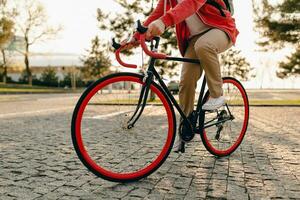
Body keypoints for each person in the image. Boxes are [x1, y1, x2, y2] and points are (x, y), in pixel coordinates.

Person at [122, 0, 239, 151]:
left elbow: (191, 3)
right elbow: (157, 14)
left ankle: (217, 95)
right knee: (185, 82)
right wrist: (135, 38)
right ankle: (185, 129)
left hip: (221, 29)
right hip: (195, 39)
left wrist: (165, 22)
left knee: (204, 45)